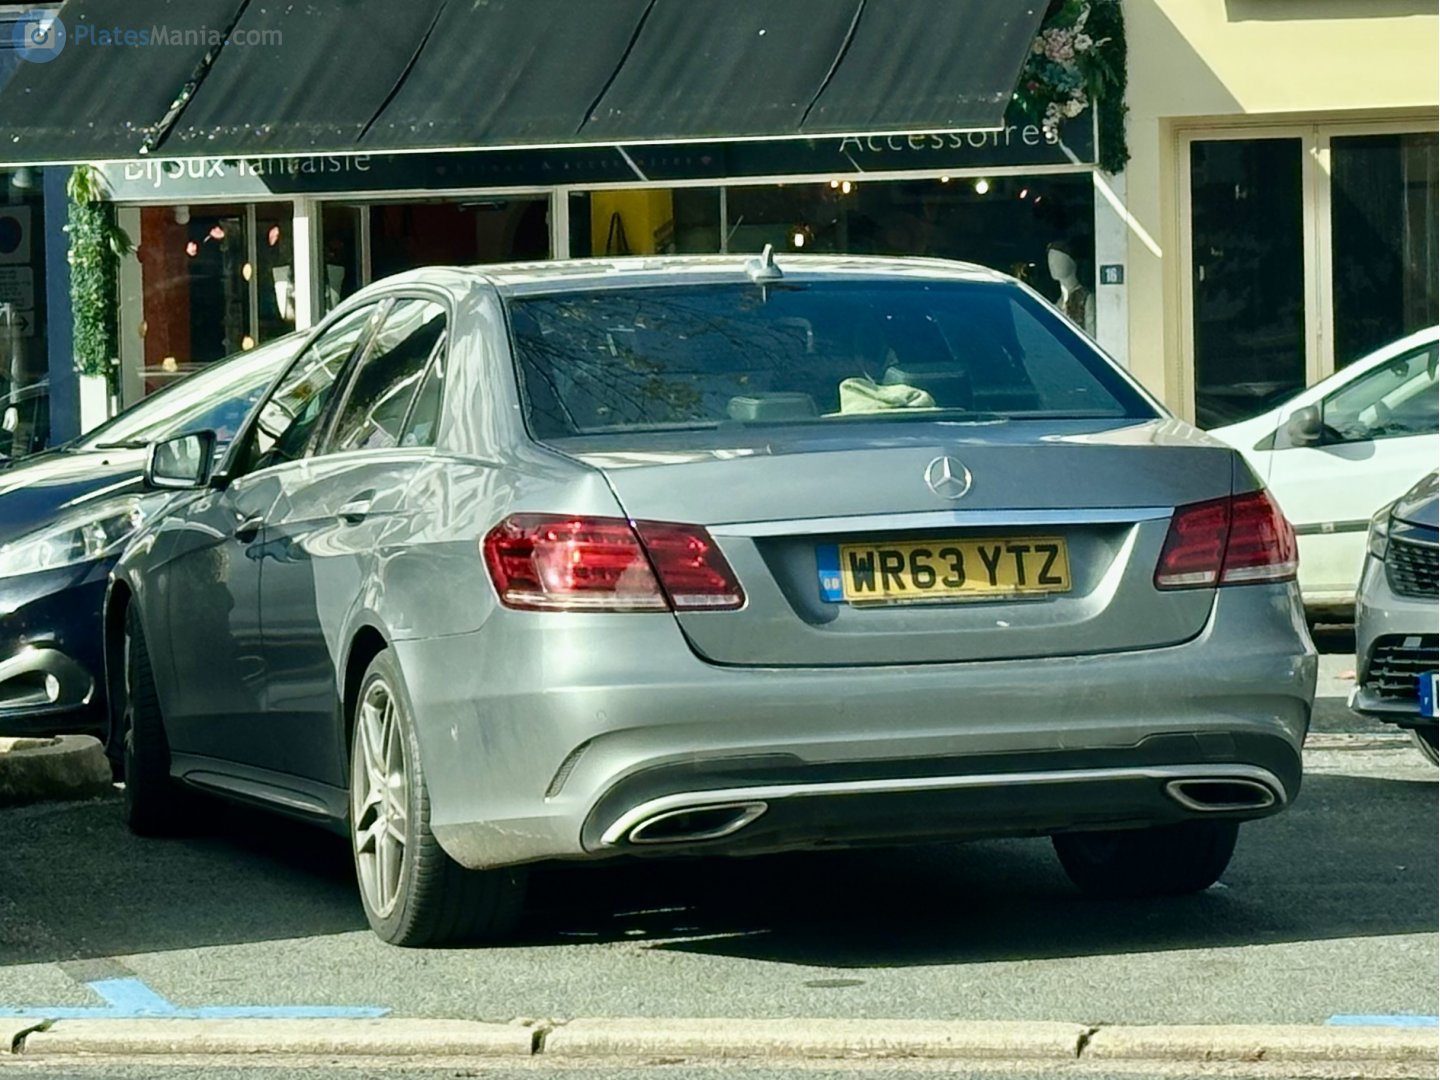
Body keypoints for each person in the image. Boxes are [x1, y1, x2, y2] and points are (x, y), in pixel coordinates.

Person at [1046, 239, 1095, 338]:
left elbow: (1091, 336)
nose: (1052, 264)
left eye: (1057, 259)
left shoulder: (1087, 299)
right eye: (1050, 260)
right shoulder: (1057, 303)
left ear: (1072, 262)